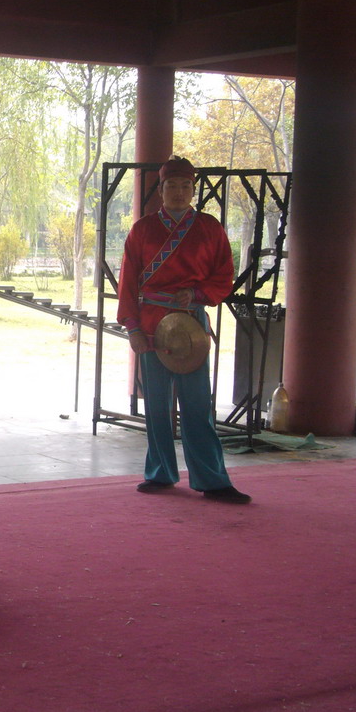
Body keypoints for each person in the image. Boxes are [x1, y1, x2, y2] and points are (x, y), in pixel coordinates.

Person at [117, 156, 251, 504]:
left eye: (185, 186)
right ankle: (160, 473)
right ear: (160, 191)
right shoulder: (142, 229)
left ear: (194, 190)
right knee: (157, 405)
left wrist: (197, 293)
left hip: (190, 323)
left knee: (197, 404)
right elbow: (128, 280)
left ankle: (212, 479)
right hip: (150, 324)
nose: (179, 192)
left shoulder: (210, 228)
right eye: (171, 186)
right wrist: (132, 326)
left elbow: (224, 275)